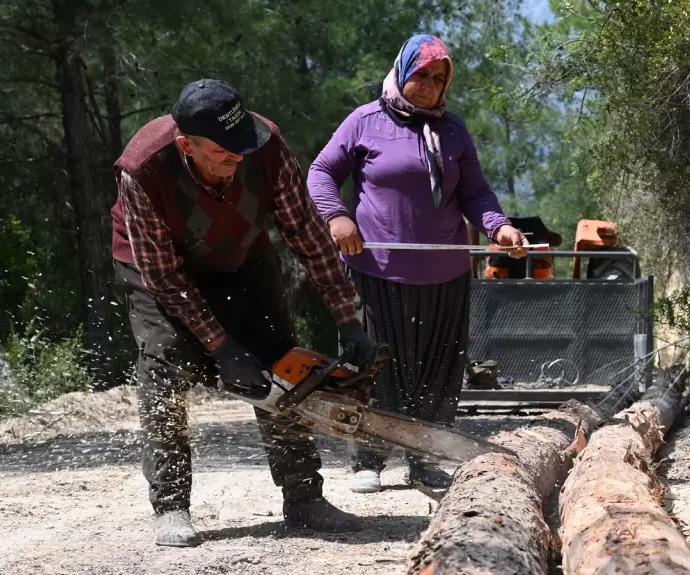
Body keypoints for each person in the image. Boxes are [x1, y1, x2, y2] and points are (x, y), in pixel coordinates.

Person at [111, 79, 378, 547]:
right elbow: (167, 279)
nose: (238, 156)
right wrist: (223, 348)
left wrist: (347, 317)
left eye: (242, 145)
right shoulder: (144, 168)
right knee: (165, 363)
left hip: (243, 257)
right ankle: (171, 505)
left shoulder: (267, 147)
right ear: (185, 145)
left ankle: (304, 499)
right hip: (158, 270)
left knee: (282, 361)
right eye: (223, 150)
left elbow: (309, 236)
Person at [307, 34, 526, 496]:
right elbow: (321, 172)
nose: (428, 85)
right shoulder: (364, 122)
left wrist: (499, 228)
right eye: (420, 74)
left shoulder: (454, 132)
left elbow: (475, 194)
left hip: (445, 272)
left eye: (438, 78)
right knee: (374, 364)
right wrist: (339, 217)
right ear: (402, 71)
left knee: (438, 368)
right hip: (375, 270)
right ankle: (368, 458)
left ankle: (426, 459)